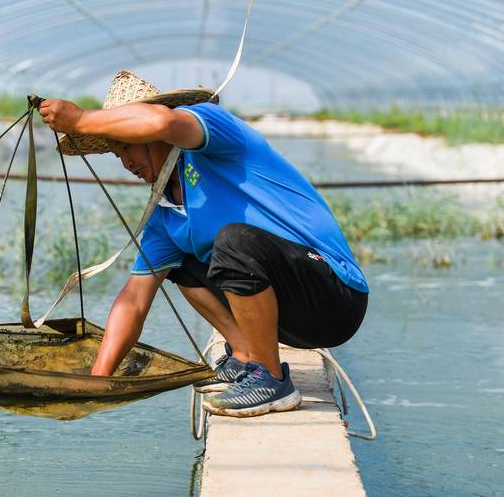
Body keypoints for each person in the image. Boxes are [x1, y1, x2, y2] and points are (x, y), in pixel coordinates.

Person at [39, 71, 368, 417]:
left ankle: (271, 381)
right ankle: (245, 355)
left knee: (232, 241)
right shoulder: (165, 214)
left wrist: (81, 119)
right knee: (182, 264)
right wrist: (97, 380)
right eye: (115, 153)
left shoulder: (213, 134)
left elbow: (163, 121)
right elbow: (134, 300)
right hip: (293, 318)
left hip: (334, 297)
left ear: (149, 133)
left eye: (126, 144)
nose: (126, 163)